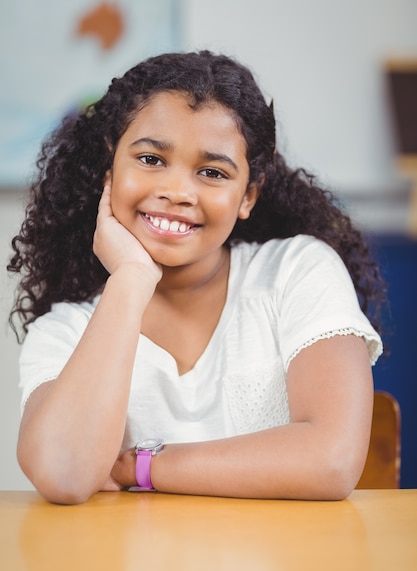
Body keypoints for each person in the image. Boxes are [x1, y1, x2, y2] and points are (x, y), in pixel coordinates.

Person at [8, 50, 385, 505]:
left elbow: (331, 460)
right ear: (110, 169)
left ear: (248, 196)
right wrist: (129, 279)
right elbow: (64, 473)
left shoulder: (296, 271)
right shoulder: (65, 331)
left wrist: (141, 466)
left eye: (211, 172)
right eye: (150, 159)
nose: (177, 192)